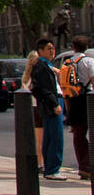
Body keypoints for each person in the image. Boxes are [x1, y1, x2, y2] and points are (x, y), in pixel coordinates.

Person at [31, 37, 67, 180]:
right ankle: (53, 169)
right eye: (49, 49)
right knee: (56, 137)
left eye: (53, 48)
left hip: (52, 101)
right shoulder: (42, 66)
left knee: (50, 137)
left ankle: (50, 168)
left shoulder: (44, 65)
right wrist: (54, 104)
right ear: (40, 51)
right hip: (52, 102)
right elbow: (45, 89)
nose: (52, 51)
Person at [62, 34, 93, 179]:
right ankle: (88, 164)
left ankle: (83, 167)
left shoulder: (67, 63)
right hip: (88, 100)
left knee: (78, 136)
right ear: (86, 47)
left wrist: (68, 110)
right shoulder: (89, 61)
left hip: (73, 102)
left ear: (73, 48)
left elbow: (65, 89)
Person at [20, 49, 43, 166]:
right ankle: (40, 164)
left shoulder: (25, 77)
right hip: (38, 107)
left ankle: (38, 163)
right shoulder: (36, 75)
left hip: (31, 108)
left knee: (36, 139)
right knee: (40, 139)